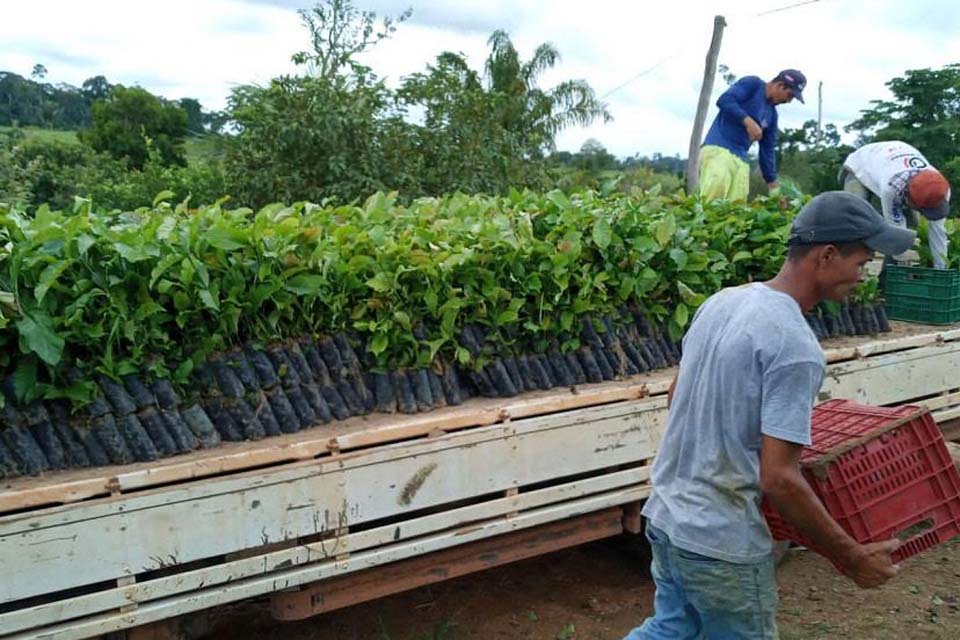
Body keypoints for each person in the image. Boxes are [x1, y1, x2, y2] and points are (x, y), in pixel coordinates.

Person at [624, 192, 913, 640]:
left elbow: (676, 396)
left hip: (667, 517)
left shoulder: (723, 302)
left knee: (672, 628)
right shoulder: (795, 346)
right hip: (721, 540)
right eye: (861, 262)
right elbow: (778, 478)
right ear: (827, 255)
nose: (863, 276)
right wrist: (851, 557)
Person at [699, 69, 806, 202]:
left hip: (741, 159)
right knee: (714, 197)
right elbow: (725, 100)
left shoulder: (772, 115)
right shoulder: (753, 85)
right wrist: (747, 121)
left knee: (737, 205)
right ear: (780, 85)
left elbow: (767, 150)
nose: (788, 101)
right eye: (789, 95)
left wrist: (772, 184)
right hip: (718, 149)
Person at [841, 141, 951, 269]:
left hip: (891, 161)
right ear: (909, 199)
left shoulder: (941, 188)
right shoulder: (890, 189)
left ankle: (886, 275)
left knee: (917, 226)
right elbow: (896, 232)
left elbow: (938, 232)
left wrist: (941, 269)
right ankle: (849, 270)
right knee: (855, 219)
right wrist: (903, 267)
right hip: (861, 163)